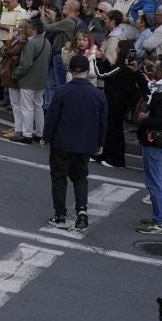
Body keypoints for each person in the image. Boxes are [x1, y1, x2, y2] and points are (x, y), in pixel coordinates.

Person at [43, 54, 108, 231]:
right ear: (88, 71)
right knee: (80, 176)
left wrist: (46, 137)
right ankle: (82, 211)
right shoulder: (98, 95)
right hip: (86, 143)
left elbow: (52, 117)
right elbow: (103, 122)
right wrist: (100, 142)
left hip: (62, 142)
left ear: (70, 71)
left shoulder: (62, 91)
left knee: (59, 176)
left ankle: (60, 215)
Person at [137, 56, 162, 234]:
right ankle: (159, 217)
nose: (153, 70)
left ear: (161, 72)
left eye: (156, 68)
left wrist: (146, 119)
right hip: (158, 143)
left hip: (155, 143)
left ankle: (159, 221)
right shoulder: (161, 88)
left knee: (155, 182)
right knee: (158, 180)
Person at [95, 45, 146, 167]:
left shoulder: (122, 68)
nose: (116, 50)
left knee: (114, 130)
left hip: (116, 103)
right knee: (111, 129)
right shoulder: (124, 68)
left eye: (118, 48)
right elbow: (110, 70)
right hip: (116, 102)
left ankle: (116, 159)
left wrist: (97, 60)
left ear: (123, 52)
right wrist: (105, 60)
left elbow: (102, 75)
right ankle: (105, 155)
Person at [6, 18, 51, 144]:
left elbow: (26, 64)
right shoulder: (46, 42)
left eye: (29, 28)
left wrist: (16, 73)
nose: (26, 30)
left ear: (34, 30)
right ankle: (39, 133)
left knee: (27, 107)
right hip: (41, 79)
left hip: (28, 79)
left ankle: (27, 134)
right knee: (38, 106)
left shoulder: (31, 43)